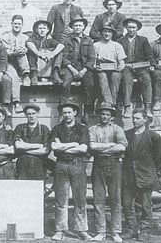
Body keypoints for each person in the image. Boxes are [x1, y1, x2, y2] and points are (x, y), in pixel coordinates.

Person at [49, 102, 92, 241]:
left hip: (77, 166)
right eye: (64, 112)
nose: (66, 115)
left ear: (75, 112)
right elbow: (54, 146)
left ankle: (81, 230)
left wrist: (63, 146)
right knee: (61, 199)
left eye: (69, 112)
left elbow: (83, 149)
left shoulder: (82, 129)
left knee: (80, 199)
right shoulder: (57, 128)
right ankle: (61, 229)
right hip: (61, 166)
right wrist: (74, 144)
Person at [122, 108, 161, 240]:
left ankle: (144, 230)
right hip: (129, 176)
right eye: (133, 118)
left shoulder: (153, 136)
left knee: (146, 205)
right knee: (127, 204)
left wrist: (152, 172)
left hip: (146, 175)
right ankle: (132, 229)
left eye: (138, 118)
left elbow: (160, 158)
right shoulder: (127, 134)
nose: (134, 121)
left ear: (145, 119)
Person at [89, 103, 127, 243]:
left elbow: (122, 146)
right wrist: (112, 145)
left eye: (107, 114)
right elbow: (92, 146)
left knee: (115, 198)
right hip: (98, 165)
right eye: (103, 114)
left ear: (111, 116)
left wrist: (102, 149)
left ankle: (115, 232)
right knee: (98, 199)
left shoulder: (117, 129)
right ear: (99, 115)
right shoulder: (93, 129)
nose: (104, 116)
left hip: (115, 165)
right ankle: (101, 231)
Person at [117, 17, 154, 118]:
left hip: (140, 66)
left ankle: (147, 107)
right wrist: (124, 64)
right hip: (126, 66)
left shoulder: (143, 40)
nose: (131, 30)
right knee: (127, 81)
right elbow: (117, 56)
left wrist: (151, 65)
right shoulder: (120, 40)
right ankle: (127, 107)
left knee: (147, 79)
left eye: (134, 27)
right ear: (126, 28)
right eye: (129, 27)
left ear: (137, 28)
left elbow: (149, 55)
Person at [60, 18, 96, 114]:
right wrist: (72, 69)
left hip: (84, 68)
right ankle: (64, 109)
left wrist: (84, 70)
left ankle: (87, 112)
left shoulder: (88, 40)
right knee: (64, 85)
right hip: (70, 67)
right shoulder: (67, 40)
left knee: (90, 85)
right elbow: (64, 57)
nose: (77, 27)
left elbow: (92, 58)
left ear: (84, 27)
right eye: (75, 26)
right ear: (72, 27)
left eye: (80, 25)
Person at [47, 0, 84, 83]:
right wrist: (48, 34)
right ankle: (55, 72)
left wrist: (73, 30)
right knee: (60, 48)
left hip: (72, 35)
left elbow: (80, 22)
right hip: (58, 36)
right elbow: (49, 22)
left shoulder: (77, 9)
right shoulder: (56, 8)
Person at [14, 104, 50, 180]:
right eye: (29, 114)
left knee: (38, 189)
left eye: (33, 113)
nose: (31, 116)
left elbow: (45, 150)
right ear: (25, 115)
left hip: (39, 165)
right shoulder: (20, 128)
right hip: (23, 165)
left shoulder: (44, 129)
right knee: (23, 189)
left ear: (38, 114)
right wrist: (39, 146)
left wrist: (24, 148)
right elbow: (18, 146)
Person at [93, 25, 126, 105]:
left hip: (114, 69)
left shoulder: (117, 45)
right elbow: (93, 61)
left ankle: (111, 102)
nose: (107, 34)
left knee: (115, 76)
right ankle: (109, 103)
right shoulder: (96, 45)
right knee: (102, 76)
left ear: (112, 34)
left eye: (109, 32)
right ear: (101, 33)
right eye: (105, 31)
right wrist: (95, 67)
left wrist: (120, 68)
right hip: (101, 69)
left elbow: (122, 63)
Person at [26, 20, 65, 85]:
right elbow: (29, 43)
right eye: (40, 28)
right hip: (36, 66)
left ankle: (55, 73)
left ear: (48, 30)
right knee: (31, 50)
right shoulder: (33, 39)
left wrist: (52, 54)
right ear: (36, 30)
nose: (42, 30)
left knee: (59, 51)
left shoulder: (50, 41)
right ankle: (33, 74)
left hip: (48, 67)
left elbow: (61, 45)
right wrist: (39, 54)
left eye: (44, 28)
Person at [0, 15, 31, 87]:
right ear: (12, 24)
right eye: (15, 23)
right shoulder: (5, 37)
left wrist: (26, 50)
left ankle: (26, 75)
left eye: (19, 24)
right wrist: (15, 52)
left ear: (22, 25)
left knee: (21, 51)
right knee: (14, 78)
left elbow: (30, 50)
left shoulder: (26, 37)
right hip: (9, 62)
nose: (17, 25)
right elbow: (5, 53)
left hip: (22, 62)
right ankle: (15, 98)